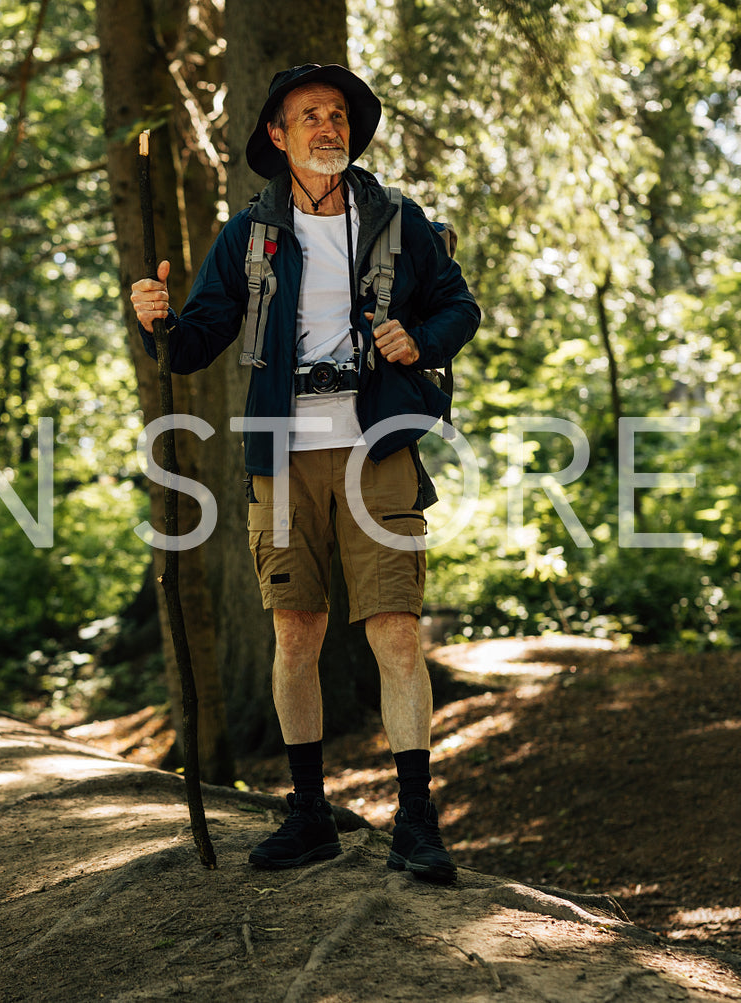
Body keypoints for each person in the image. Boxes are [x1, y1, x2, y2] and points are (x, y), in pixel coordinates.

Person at [128, 63, 479, 883]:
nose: (329, 126)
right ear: (277, 138)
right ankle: (309, 812)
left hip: (378, 447)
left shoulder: (396, 219)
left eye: (338, 114)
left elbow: (458, 305)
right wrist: (157, 322)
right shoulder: (248, 235)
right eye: (309, 116)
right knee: (295, 635)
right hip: (280, 454)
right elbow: (193, 344)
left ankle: (417, 821)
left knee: (395, 631)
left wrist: (418, 341)